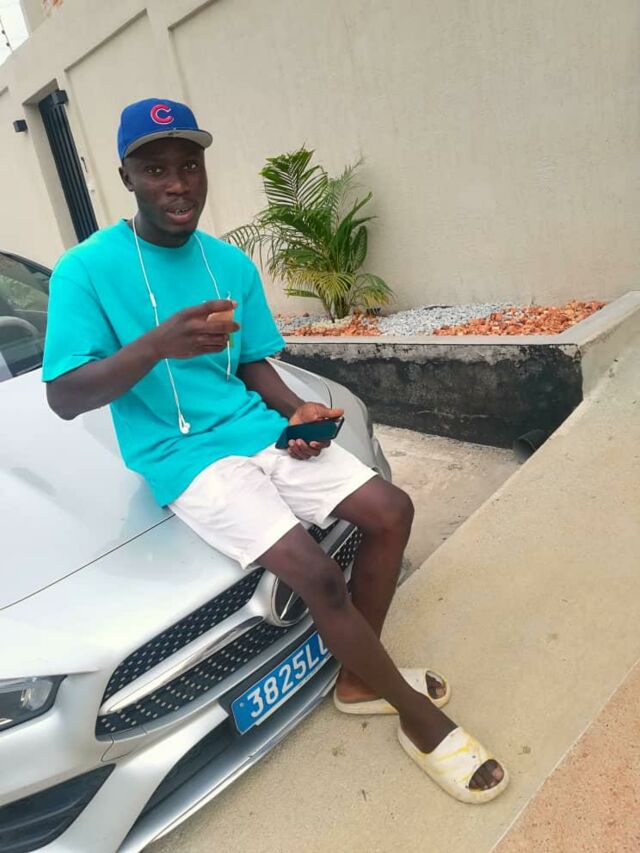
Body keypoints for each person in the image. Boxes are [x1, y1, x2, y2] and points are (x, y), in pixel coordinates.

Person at [43, 98, 507, 802]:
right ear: (126, 177)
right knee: (316, 575)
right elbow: (65, 395)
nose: (178, 183)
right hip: (182, 455)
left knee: (391, 510)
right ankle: (417, 716)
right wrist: (156, 345)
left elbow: (254, 360)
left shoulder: (227, 263)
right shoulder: (85, 270)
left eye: (190, 165)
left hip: (254, 428)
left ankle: (359, 679)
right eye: (156, 169)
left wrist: (297, 410)